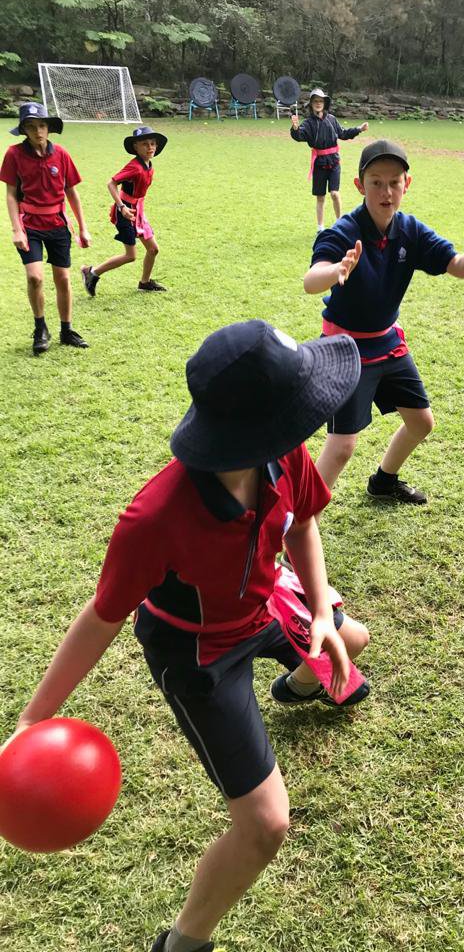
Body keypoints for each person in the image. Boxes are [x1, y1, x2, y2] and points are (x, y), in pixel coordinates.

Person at [3, 319, 371, 952]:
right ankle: (183, 942)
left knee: (351, 640)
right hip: (202, 654)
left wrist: (317, 610)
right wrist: (33, 722)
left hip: (268, 605)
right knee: (264, 826)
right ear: (251, 427)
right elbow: (100, 618)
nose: (311, 420)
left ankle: (295, 686)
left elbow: (302, 524)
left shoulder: (282, 451)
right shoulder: (154, 519)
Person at [305, 138, 464, 505]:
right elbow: (310, 280)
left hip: (386, 342)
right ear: (359, 185)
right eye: (376, 182)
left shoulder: (411, 231)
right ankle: (296, 525)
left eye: (394, 182)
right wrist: (336, 270)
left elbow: (457, 267)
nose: (386, 191)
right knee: (341, 448)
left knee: (421, 422)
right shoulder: (344, 232)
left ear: (406, 185)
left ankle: (384, 481)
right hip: (345, 348)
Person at [0, 102, 91, 354]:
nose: (38, 132)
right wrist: (16, 229)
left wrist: (83, 228)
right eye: (31, 127)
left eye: (41, 126)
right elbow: (10, 195)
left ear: (48, 128)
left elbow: (71, 192)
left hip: (58, 225)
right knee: (35, 277)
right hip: (29, 225)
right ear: (23, 130)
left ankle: (66, 329)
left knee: (62, 279)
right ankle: (40, 328)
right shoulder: (13, 154)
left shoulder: (61, 154)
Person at [82, 125, 168, 296]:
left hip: (138, 212)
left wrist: (137, 210)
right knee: (130, 255)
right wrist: (122, 207)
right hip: (126, 212)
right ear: (136, 147)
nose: (150, 147)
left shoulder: (148, 165)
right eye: (145, 144)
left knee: (153, 249)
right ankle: (91, 273)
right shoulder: (134, 167)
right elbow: (111, 183)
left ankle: (145, 283)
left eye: (153, 143)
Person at [290, 88, 368, 231]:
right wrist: (295, 128)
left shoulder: (332, 119)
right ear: (311, 104)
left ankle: (340, 224)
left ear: (324, 103)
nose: (318, 104)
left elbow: (343, 134)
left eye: (321, 101)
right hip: (319, 164)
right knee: (320, 197)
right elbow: (299, 136)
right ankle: (320, 228)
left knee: (334, 193)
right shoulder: (308, 123)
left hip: (334, 162)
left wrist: (358, 129)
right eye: (315, 101)